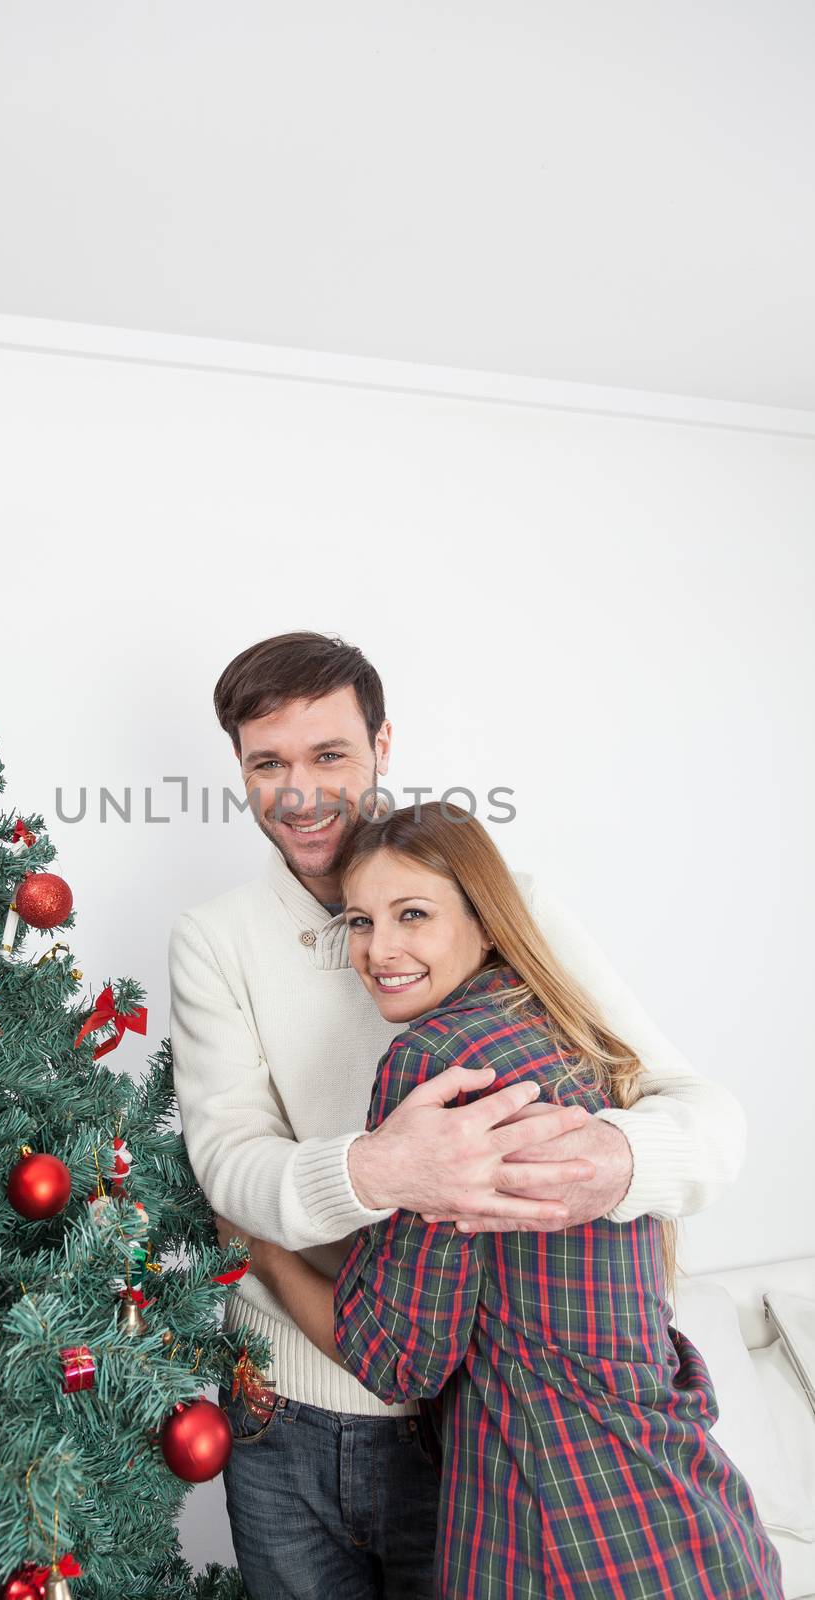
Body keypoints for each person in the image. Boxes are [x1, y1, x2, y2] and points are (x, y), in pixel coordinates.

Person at [168, 631, 746, 1600]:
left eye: (329, 755)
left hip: (470, 1430)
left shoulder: (501, 903)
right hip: (283, 1417)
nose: (299, 791)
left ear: (383, 745)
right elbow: (228, 1164)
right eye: (267, 763)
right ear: (238, 767)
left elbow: (702, 1116)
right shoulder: (216, 938)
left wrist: (611, 1157)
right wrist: (379, 1171)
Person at [315, 801, 779, 1598]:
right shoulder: (567, 1028)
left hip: (558, 1525)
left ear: (487, 923)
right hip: (695, 1509)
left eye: (412, 915)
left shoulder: (433, 1062)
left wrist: (258, 1246)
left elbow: (397, 1357)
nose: (378, 950)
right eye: (359, 921)